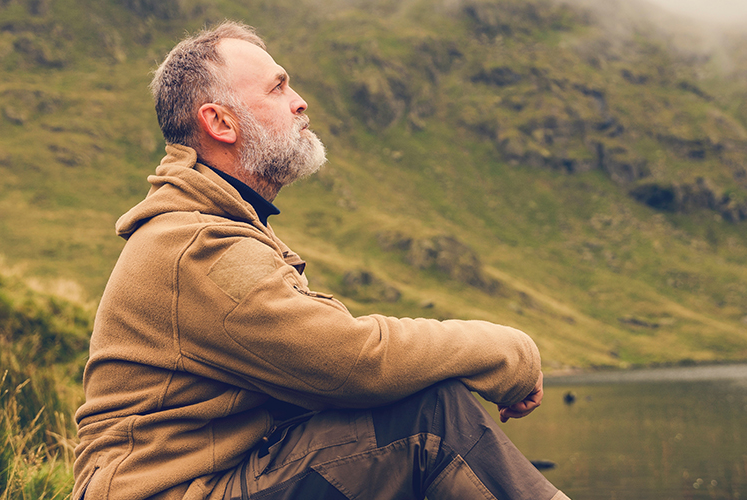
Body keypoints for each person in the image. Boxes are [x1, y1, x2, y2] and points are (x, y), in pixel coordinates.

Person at [73, 20, 567, 500]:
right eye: (278, 87)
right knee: (430, 419)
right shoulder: (199, 247)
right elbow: (355, 362)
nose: (299, 101)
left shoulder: (214, 227)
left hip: (219, 478)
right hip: (177, 492)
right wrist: (509, 350)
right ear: (220, 123)